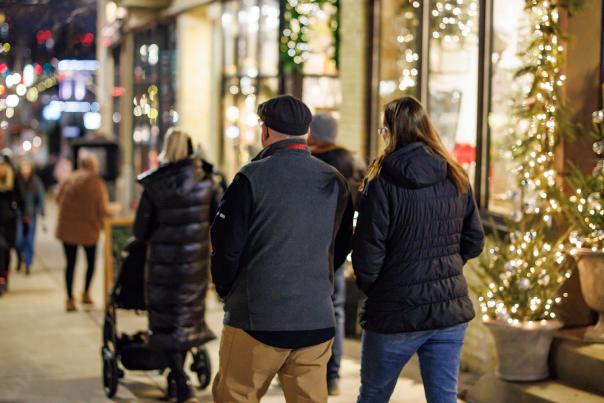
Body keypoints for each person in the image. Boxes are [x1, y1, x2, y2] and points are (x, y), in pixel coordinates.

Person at [211, 95, 354, 403]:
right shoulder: (334, 180)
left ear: (265, 132)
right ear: (306, 132)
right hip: (315, 319)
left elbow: (226, 246)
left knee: (235, 395)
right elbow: (342, 244)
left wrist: (227, 290)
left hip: (257, 318)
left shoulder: (251, 177)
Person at [353, 96, 485, 403]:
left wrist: (376, 286)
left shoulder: (381, 180)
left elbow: (367, 252)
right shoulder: (456, 175)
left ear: (390, 131)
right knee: (443, 398)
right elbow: (474, 241)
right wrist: (446, 267)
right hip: (448, 311)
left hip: (394, 309)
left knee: (373, 395)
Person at [134, 128, 218, 403]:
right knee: (186, 320)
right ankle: (176, 379)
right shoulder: (207, 181)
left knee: (165, 323)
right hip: (194, 266)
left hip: (162, 266)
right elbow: (219, 221)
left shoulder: (155, 184)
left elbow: (140, 230)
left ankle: (179, 380)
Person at [308, 112, 366, 396]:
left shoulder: (310, 163)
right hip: (339, 249)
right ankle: (332, 375)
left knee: (305, 307)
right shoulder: (353, 163)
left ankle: (305, 369)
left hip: (309, 247)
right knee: (337, 309)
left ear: (315, 134)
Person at [56, 152, 116, 311]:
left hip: (67, 229)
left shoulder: (69, 179)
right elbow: (103, 209)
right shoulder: (96, 182)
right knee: (91, 263)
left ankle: (69, 299)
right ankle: (86, 293)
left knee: (70, 264)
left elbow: (57, 199)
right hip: (89, 230)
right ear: (94, 165)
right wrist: (115, 208)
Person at [16, 160, 45, 275]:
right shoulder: (17, 181)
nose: (25, 170)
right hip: (18, 215)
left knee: (29, 239)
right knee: (18, 240)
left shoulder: (35, 182)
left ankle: (28, 263)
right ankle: (20, 257)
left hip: (31, 215)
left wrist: (40, 211)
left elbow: (40, 198)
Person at [0, 154, 23, 295]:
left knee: (7, 250)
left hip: (9, 220)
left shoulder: (13, 179)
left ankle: (5, 276)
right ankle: (1, 278)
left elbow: (20, 198)